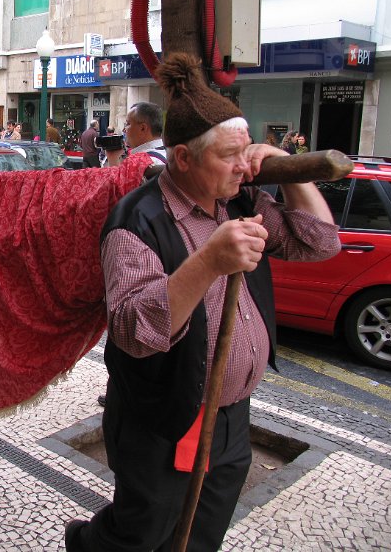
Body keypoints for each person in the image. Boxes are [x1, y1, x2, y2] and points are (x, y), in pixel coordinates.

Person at [64, 53, 341, 552]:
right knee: (141, 531)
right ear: (185, 159)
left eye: (245, 151)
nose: (243, 167)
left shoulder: (240, 199)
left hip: (231, 415)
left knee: (203, 531)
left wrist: (286, 170)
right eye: (229, 155)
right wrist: (209, 261)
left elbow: (319, 242)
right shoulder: (137, 220)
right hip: (163, 417)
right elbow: (133, 330)